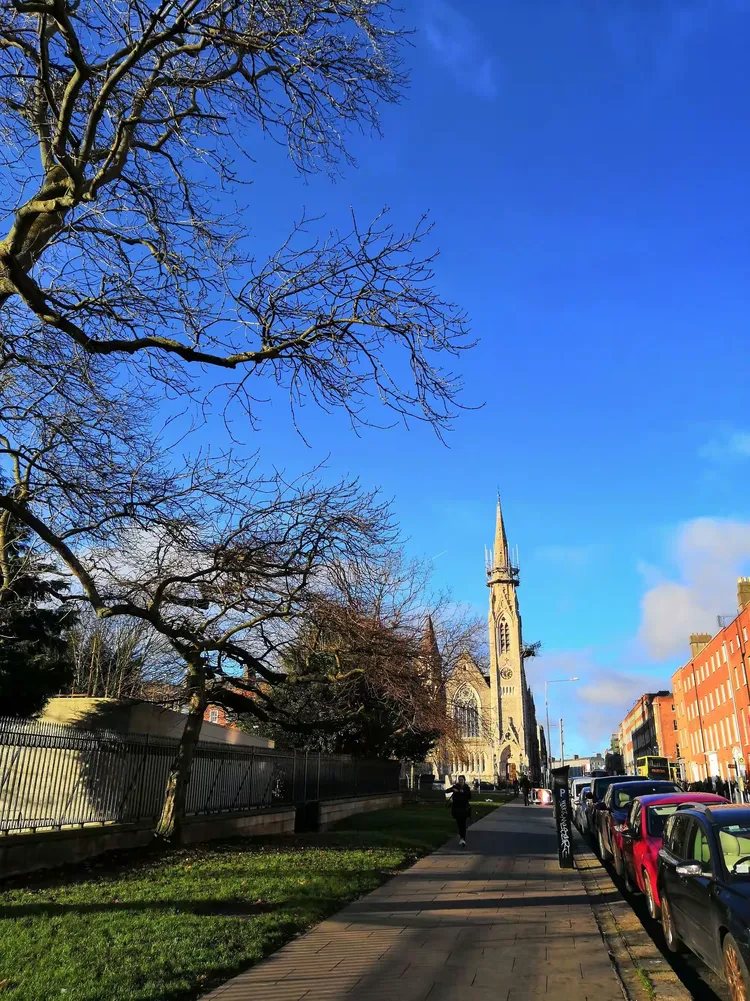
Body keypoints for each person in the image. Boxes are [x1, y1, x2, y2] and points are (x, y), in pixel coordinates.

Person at [449, 774, 472, 847]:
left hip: (464, 808)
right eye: (459, 780)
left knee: (463, 824)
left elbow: (469, 796)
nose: (460, 781)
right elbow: (447, 790)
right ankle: (462, 837)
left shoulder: (466, 788)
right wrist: (453, 789)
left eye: (462, 780)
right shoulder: (456, 786)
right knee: (459, 824)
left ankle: (463, 838)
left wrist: (463, 792)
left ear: (464, 780)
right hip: (456, 808)